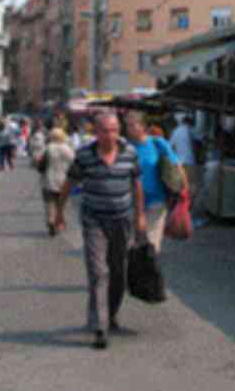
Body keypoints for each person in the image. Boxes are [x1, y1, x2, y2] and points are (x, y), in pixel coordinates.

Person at [56, 112, 146, 350]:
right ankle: (100, 326)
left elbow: (136, 186)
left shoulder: (130, 153)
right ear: (96, 132)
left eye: (114, 130)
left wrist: (140, 217)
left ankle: (111, 314)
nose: (110, 135)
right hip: (94, 220)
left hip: (122, 220)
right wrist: (59, 212)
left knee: (118, 273)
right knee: (98, 272)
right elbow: (69, 183)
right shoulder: (84, 155)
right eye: (105, 131)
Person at [124, 111, 182, 253]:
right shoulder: (123, 147)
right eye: (127, 125)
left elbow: (176, 166)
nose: (129, 129)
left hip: (156, 201)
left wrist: (182, 190)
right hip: (130, 202)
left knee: (151, 245)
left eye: (133, 125)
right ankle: (131, 272)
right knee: (129, 244)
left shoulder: (158, 143)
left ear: (143, 126)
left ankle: (148, 272)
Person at [40, 128, 75, 236]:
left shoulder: (48, 148)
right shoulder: (69, 149)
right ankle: (59, 222)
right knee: (62, 203)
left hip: (49, 180)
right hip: (64, 181)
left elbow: (42, 166)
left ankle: (51, 221)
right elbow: (74, 166)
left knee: (49, 203)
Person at [169, 115, 201, 199]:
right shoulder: (191, 130)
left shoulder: (175, 131)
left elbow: (170, 147)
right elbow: (199, 142)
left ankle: (179, 204)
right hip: (190, 162)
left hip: (179, 163)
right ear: (190, 123)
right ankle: (188, 205)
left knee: (179, 187)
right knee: (191, 186)